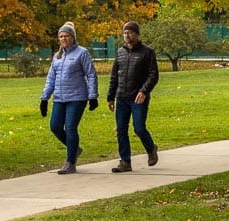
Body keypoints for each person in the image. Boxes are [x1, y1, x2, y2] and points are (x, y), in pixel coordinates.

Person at [40, 21, 99, 174]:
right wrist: (44, 98)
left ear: (72, 37)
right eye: (61, 36)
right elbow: (51, 78)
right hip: (60, 98)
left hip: (77, 97)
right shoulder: (57, 56)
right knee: (55, 126)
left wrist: (93, 96)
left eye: (66, 36)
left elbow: (91, 75)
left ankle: (70, 162)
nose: (63, 39)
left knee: (70, 127)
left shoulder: (82, 53)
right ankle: (75, 148)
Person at [106, 21, 160, 172]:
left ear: (136, 34)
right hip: (121, 97)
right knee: (121, 130)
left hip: (138, 97)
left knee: (139, 128)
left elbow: (153, 75)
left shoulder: (147, 52)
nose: (127, 35)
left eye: (130, 32)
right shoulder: (120, 52)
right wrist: (110, 97)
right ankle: (125, 162)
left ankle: (151, 149)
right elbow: (114, 76)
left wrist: (144, 91)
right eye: (124, 33)